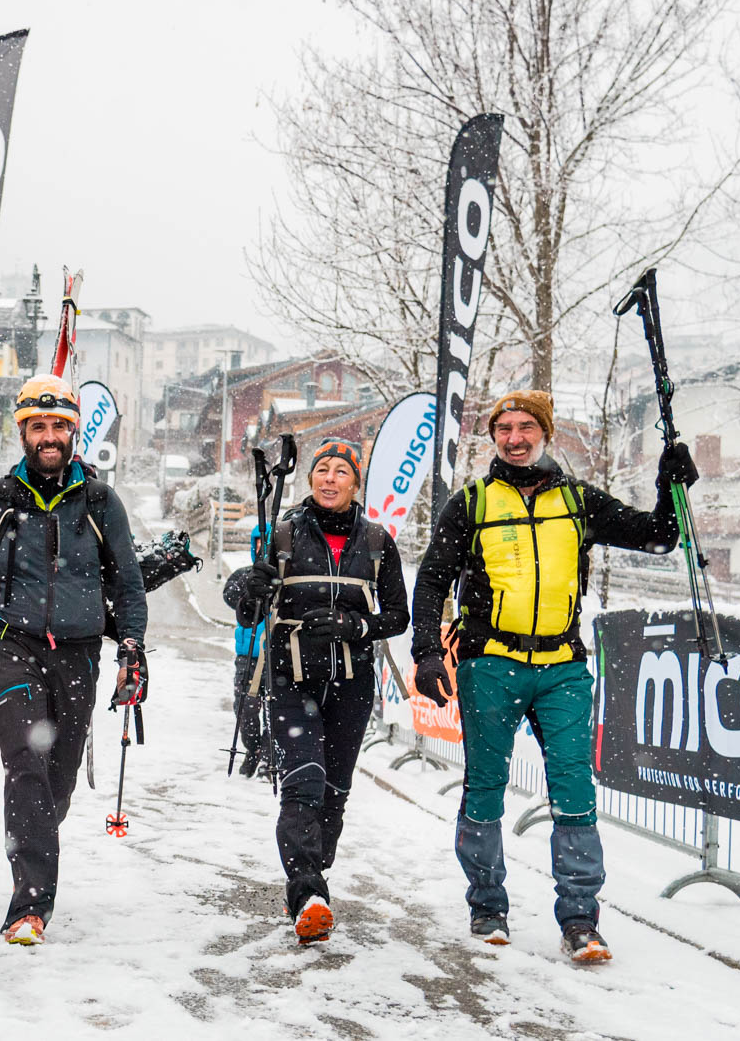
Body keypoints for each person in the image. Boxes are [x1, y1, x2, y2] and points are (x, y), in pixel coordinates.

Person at [409, 389, 697, 962]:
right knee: (485, 785)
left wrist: (672, 484)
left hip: (563, 667)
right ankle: (487, 905)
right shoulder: (471, 504)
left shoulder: (578, 501)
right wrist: (427, 651)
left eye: (525, 428)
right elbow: (433, 579)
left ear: (545, 433)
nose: (514, 439)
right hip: (490, 664)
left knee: (574, 789)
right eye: (504, 429)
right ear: (494, 437)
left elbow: (659, 536)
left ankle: (580, 919)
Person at [0, 374, 148, 947]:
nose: (49, 436)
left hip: (78, 653)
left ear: (73, 431)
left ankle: (34, 845)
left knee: (58, 779)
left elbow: (128, 582)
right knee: (26, 763)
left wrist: (131, 649)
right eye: (37, 426)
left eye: (59, 426)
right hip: (13, 646)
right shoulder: (0, 500)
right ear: (22, 432)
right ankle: (29, 905)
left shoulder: (100, 502)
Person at [235, 438, 410, 944]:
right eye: (322, 470)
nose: (330, 478)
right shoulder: (284, 535)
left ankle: (313, 871)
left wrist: (354, 626)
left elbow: (397, 616)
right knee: (303, 784)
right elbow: (247, 610)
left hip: (352, 684)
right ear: (311, 478)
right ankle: (308, 893)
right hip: (291, 679)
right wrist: (250, 588)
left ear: (355, 483)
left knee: (334, 793)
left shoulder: (376, 542)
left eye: (341, 471)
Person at [220, 523, 270, 778]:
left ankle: (269, 756)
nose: (262, 548)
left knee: (274, 709)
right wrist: (252, 586)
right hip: (248, 653)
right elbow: (230, 596)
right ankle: (253, 748)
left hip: (274, 654)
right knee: (244, 707)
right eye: (258, 543)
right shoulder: (245, 575)